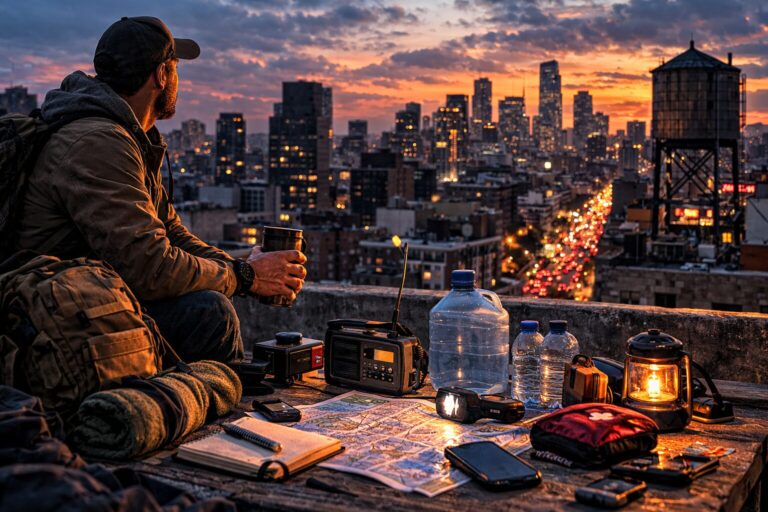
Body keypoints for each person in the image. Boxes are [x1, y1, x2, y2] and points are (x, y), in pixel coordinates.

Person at [11, 17, 307, 363]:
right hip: (48, 321)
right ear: (161, 75)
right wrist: (245, 277)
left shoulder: (128, 137)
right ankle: (212, 410)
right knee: (207, 314)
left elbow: (173, 235)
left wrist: (244, 266)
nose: (178, 79)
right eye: (175, 67)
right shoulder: (98, 142)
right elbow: (150, 268)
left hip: (82, 302)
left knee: (205, 305)